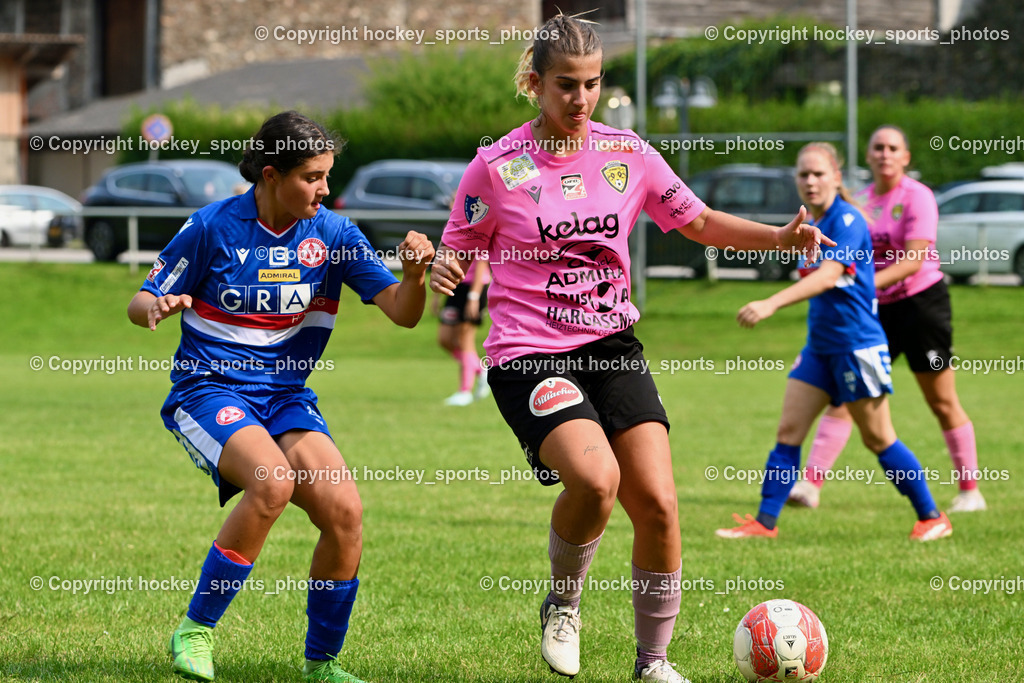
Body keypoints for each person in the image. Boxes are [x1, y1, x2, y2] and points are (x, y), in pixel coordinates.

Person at [429, 14, 830, 683]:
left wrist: (778, 238)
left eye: (591, 84)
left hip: (612, 345)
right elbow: (457, 247)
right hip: (530, 353)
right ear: (535, 83)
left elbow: (698, 221)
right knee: (596, 480)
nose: (581, 98)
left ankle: (653, 662)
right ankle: (564, 604)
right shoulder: (495, 167)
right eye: (566, 84)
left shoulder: (628, 154)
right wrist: (443, 266)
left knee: (660, 505)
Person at [127, 111, 434, 683]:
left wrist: (414, 276)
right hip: (207, 389)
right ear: (271, 175)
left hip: (286, 395)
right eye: (312, 177)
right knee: (271, 483)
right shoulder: (212, 226)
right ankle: (195, 631)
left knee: (345, 512)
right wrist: (159, 307)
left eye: (327, 176)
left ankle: (322, 665)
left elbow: (403, 313)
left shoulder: (335, 235)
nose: (325, 189)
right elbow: (140, 300)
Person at [715, 142, 953, 543]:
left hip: (857, 346)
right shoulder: (813, 223)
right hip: (820, 347)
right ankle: (765, 523)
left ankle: (932, 517)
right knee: (789, 430)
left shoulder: (847, 219)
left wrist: (770, 303)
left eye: (819, 174)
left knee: (878, 438)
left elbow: (828, 276)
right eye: (803, 174)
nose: (810, 181)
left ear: (836, 178)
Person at [788, 126, 985, 513]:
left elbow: (912, 261)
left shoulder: (918, 196)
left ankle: (970, 491)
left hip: (921, 308)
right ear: (868, 155)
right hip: (873, 311)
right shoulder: (860, 201)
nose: (884, 154)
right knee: (845, 395)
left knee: (941, 400)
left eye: (893, 148)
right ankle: (809, 485)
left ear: (905, 157)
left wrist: (858, 285)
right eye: (877, 147)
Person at [435, 259, 491, 405]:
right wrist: (436, 295)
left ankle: (465, 391)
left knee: (464, 341)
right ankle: (481, 370)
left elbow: (482, 262)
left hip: (474, 288)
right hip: (454, 286)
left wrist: (474, 297)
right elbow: (443, 260)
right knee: (444, 339)